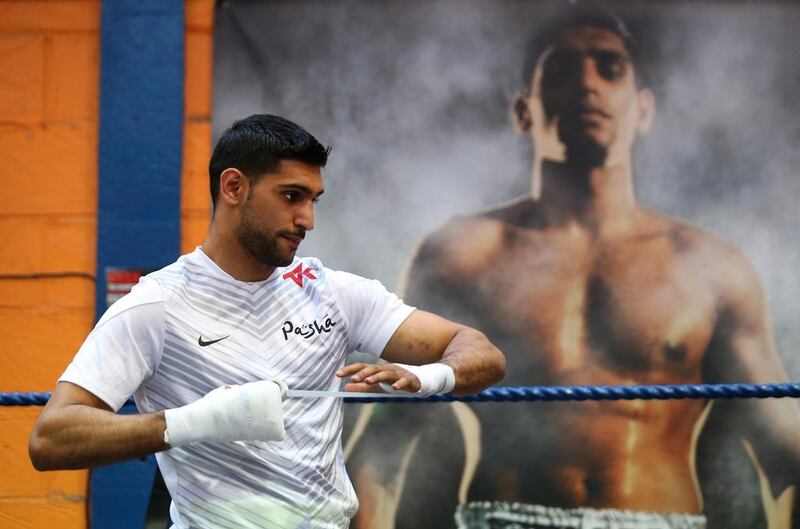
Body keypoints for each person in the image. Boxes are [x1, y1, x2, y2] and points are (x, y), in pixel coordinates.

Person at [347, 9, 800, 529]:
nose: (587, 84)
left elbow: (785, 457)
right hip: (504, 517)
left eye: (609, 68)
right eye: (561, 70)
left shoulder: (711, 267)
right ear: (523, 109)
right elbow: (383, 445)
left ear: (643, 109)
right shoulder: (462, 253)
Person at [27, 114, 506, 529]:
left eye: (314, 199)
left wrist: (427, 377)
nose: (307, 219)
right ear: (233, 187)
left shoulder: (333, 293)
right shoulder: (157, 305)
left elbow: (482, 352)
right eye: (292, 196)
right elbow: (51, 439)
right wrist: (193, 422)